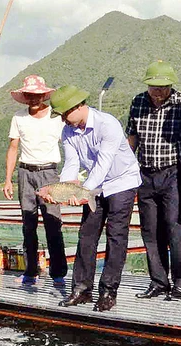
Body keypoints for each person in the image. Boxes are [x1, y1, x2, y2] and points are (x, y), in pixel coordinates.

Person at [39, 85, 141, 312]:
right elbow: (72, 163)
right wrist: (65, 189)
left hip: (122, 181)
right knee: (87, 234)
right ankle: (81, 290)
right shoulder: (68, 132)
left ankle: (108, 291)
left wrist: (84, 189)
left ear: (79, 106)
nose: (64, 120)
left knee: (116, 235)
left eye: (65, 114)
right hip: (94, 186)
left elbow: (104, 163)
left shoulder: (108, 124)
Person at [127, 60, 181, 302]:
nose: (158, 92)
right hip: (145, 173)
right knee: (150, 231)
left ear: (171, 85)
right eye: (154, 87)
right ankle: (158, 282)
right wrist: (126, 170)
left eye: (163, 87)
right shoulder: (138, 101)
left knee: (176, 228)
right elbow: (132, 138)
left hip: (175, 172)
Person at [3, 75, 68, 286]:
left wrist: (69, 178)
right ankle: (31, 270)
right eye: (30, 95)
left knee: (52, 221)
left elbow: (69, 145)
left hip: (49, 172)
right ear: (25, 96)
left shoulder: (56, 116)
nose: (33, 99)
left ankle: (58, 272)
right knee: (28, 223)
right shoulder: (18, 117)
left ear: (44, 95)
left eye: (37, 95)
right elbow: (13, 148)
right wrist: (8, 179)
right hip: (25, 173)